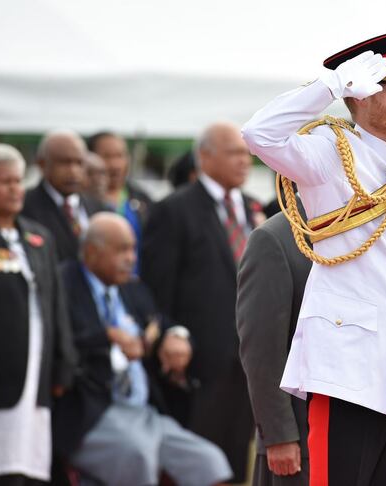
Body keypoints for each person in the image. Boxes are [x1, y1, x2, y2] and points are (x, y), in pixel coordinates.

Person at [242, 31, 386, 485]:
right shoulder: (330, 154)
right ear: (361, 95)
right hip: (346, 369)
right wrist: (328, 87)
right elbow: (258, 134)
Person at [57, 213, 231, 486]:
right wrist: (109, 337)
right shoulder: (63, 284)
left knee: (210, 462)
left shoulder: (132, 288)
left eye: (133, 249)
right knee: (136, 454)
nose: (131, 258)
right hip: (93, 410)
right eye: (121, 250)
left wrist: (175, 337)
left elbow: (159, 323)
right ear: (91, 252)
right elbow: (62, 339)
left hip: (143, 410)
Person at [141, 122, 260, 482]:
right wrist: (171, 332)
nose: (244, 161)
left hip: (250, 359)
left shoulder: (253, 208)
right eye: (234, 153)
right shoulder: (174, 210)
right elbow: (154, 288)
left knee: (239, 459)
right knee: (199, 466)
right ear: (205, 157)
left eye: (246, 153)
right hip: (197, 364)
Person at [0, 144, 76, 485]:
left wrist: (65, 361)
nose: (15, 189)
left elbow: (56, 305)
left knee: (30, 465)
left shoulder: (38, 238)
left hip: (37, 373)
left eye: (19, 181)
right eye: (5, 182)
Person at [237, 209, 312, 486]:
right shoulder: (275, 237)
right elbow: (261, 351)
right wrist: (279, 434)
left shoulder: (363, 229)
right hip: (299, 441)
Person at [22, 130, 105, 262]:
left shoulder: (99, 208)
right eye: (64, 163)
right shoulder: (24, 206)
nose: (73, 171)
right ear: (42, 164)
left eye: (79, 163)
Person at [87, 131, 153, 245]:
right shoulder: (80, 201)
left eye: (120, 156)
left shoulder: (142, 199)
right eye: (106, 156)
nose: (115, 165)